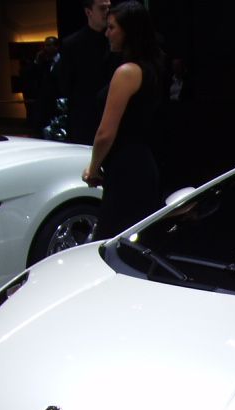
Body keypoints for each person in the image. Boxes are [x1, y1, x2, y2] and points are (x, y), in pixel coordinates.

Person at [83, 1, 164, 239]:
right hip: (141, 165)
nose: (107, 33)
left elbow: (105, 133)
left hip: (125, 169)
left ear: (129, 31)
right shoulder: (151, 67)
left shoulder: (127, 72)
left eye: (112, 28)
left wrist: (93, 168)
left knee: (111, 243)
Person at [58, 0, 114, 144]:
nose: (108, 12)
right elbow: (65, 83)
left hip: (114, 114)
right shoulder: (72, 44)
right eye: (102, 8)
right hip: (85, 118)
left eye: (109, 7)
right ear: (88, 12)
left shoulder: (117, 39)